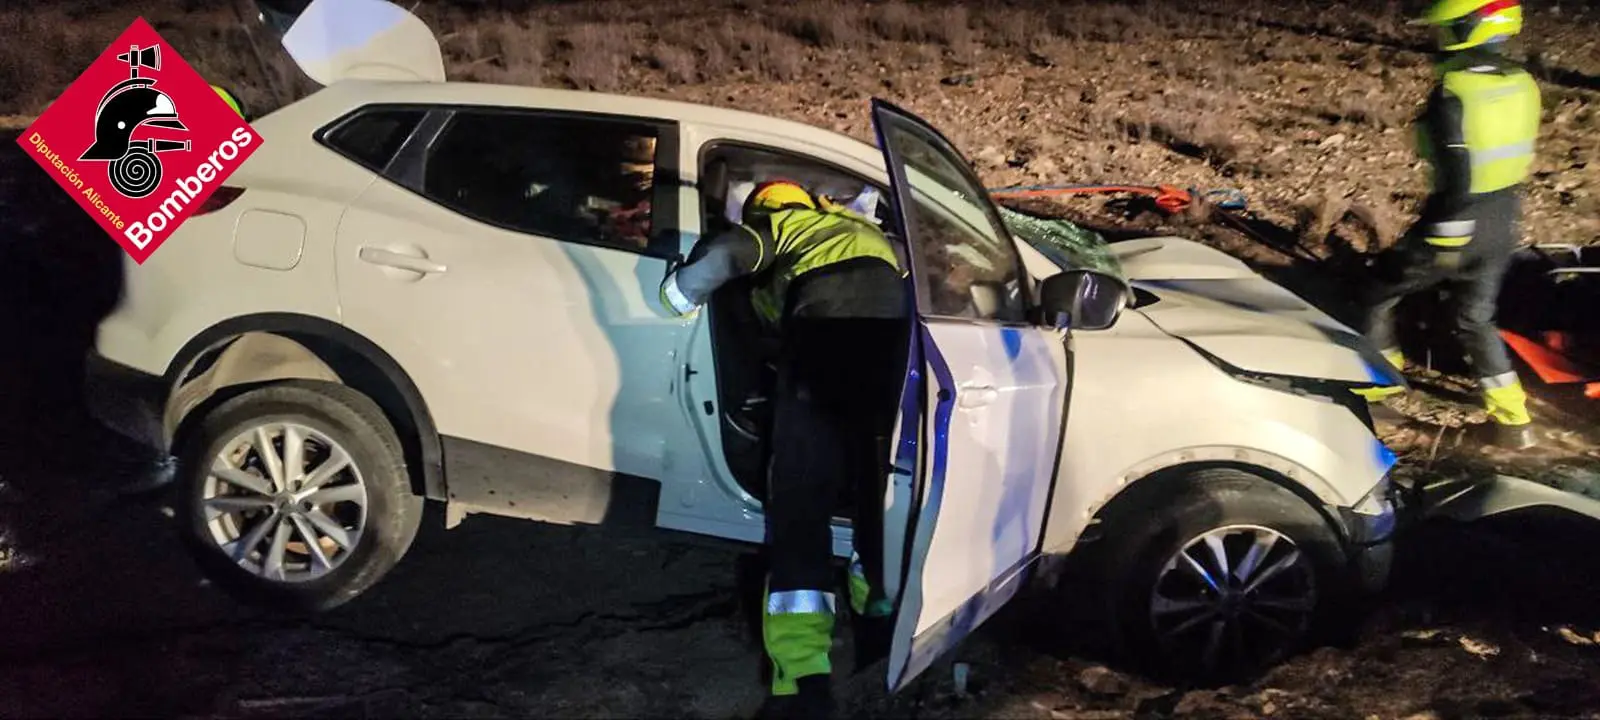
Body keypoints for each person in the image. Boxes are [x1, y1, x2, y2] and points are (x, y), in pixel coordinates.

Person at [658, 180, 908, 719]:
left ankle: (802, 676)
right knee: (875, 487)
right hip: (890, 350)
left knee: (801, 502)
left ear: (766, 209)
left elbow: (729, 254)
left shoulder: (782, 226)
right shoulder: (861, 231)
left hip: (824, 342)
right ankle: (878, 618)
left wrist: (676, 294)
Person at [1360, 0, 1542, 449]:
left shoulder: (1454, 90)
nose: (1440, 39)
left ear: (1471, 28)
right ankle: (1514, 423)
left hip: (1457, 218)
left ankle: (1376, 393)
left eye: (1448, 29)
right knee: (1475, 317)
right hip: (1504, 216)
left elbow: (1456, 170)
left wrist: (1443, 236)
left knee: (1379, 292)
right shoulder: (1523, 83)